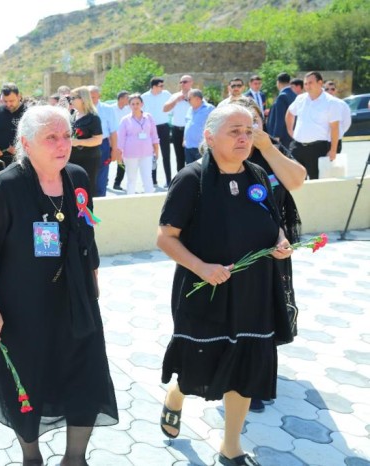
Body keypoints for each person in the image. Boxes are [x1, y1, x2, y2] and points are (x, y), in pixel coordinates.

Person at [0, 105, 118, 466]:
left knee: (86, 377)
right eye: (51, 137)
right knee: (29, 383)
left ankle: (75, 459)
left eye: (66, 135)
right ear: (26, 143)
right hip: (22, 312)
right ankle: (31, 456)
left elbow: (88, 237)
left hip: (77, 304)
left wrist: (94, 289)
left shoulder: (78, 177)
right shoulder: (3, 188)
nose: (62, 144)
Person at [156, 105, 294, 466]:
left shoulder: (259, 176)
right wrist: (201, 267)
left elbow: (272, 221)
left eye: (248, 130)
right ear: (209, 136)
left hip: (255, 292)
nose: (244, 138)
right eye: (234, 131)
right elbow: (166, 237)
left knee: (246, 368)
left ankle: (230, 446)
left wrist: (279, 241)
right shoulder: (191, 179)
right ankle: (176, 394)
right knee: (200, 365)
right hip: (207, 290)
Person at [230, 97, 307, 413]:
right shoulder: (227, 155)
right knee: (237, 314)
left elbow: (296, 181)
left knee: (268, 311)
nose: (246, 134)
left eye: (253, 125)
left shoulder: (271, 154)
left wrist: (268, 146)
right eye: (239, 127)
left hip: (273, 248)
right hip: (234, 250)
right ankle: (236, 376)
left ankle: (258, 381)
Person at [285, 71, 342, 180]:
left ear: (320, 83)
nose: (307, 86)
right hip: (297, 147)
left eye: (310, 83)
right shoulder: (300, 99)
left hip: (317, 148)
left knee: (316, 181)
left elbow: (335, 127)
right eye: (305, 83)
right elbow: (290, 113)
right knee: (294, 179)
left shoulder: (331, 102)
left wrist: (333, 150)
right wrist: (290, 131)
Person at [116, 93, 159, 194]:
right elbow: (121, 139)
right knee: (131, 179)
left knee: (148, 178)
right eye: (133, 104)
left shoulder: (149, 117)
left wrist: (156, 150)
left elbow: (154, 135)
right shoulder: (125, 120)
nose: (135, 106)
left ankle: (150, 201)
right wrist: (119, 154)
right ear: (129, 105)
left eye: (137, 103)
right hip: (130, 154)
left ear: (142, 104)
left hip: (147, 153)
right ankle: (130, 200)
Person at [68, 86, 102, 198]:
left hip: (88, 159)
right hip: (72, 158)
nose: (70, 100)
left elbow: (98, 140)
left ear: (82, 99)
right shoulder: (72, 115)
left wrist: (77, 142)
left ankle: (87, 213)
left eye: (73, 98)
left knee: (87, 187)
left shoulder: (93, 118)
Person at [0, 82, 27, 170]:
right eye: (5, 101)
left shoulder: (28, 113)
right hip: (0, 164)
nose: (8, 104)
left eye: (11, 101)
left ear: (19, 96)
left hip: (22, 163)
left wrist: (20, 150)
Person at [141, 77, 172, 187]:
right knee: (152, 154)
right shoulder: (144, 97)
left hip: (164, 127)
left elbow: (172, 106)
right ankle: (153, 180)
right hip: (150, 128)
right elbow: (141, 113)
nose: (163, 88)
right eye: (161, 86)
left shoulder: (166, 94)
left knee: (166, 154)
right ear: (154, 86)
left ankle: (169, 180)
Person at [88, 86, 118, 197]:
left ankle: (101, 201)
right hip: (86, 146)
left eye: (93, 97)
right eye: (88, 97)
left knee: (101, 176)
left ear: (99, 96)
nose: (91, 100)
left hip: (102, 145)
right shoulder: (81, 109)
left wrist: (114, 149)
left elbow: (113, 132)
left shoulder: (107, 109)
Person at [163, 75, 193, 173]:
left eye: (185, 82)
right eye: (181, 82)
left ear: (191, 82)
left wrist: (189, 100)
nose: (182, 84)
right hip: (177, 130)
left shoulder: (196, 95)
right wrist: (176, 100)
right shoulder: (175, 96)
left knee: (191, 157)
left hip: (190, 131)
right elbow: (165, 109)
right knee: (179, 158)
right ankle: (181, 181)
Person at [183, 89, 214, 164]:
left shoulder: (209, 109)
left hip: (201, 147)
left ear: (197, 99)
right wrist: (184, 139)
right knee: (190, 170)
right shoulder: (189, 109)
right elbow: (187, 125)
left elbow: (214, 126)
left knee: (202, 169)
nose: (187, 101)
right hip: (189, 146)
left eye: (189, 99)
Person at [267, 72, 296, 149]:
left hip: (282, 137)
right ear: (289, 82)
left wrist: (276, 137)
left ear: (278, 82)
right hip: (292, 134)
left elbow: (279, 118)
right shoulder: (294, 95)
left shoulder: (282, 96)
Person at [111, 90, 131, 190]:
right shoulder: (111, 109)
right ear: (121, 98)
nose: (129, 100)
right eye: (127, 98)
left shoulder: (128, 110)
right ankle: (104, 181)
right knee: (107, 161)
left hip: (124, 140)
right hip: (112, 139)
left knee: (121, 162)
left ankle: (117, 183)